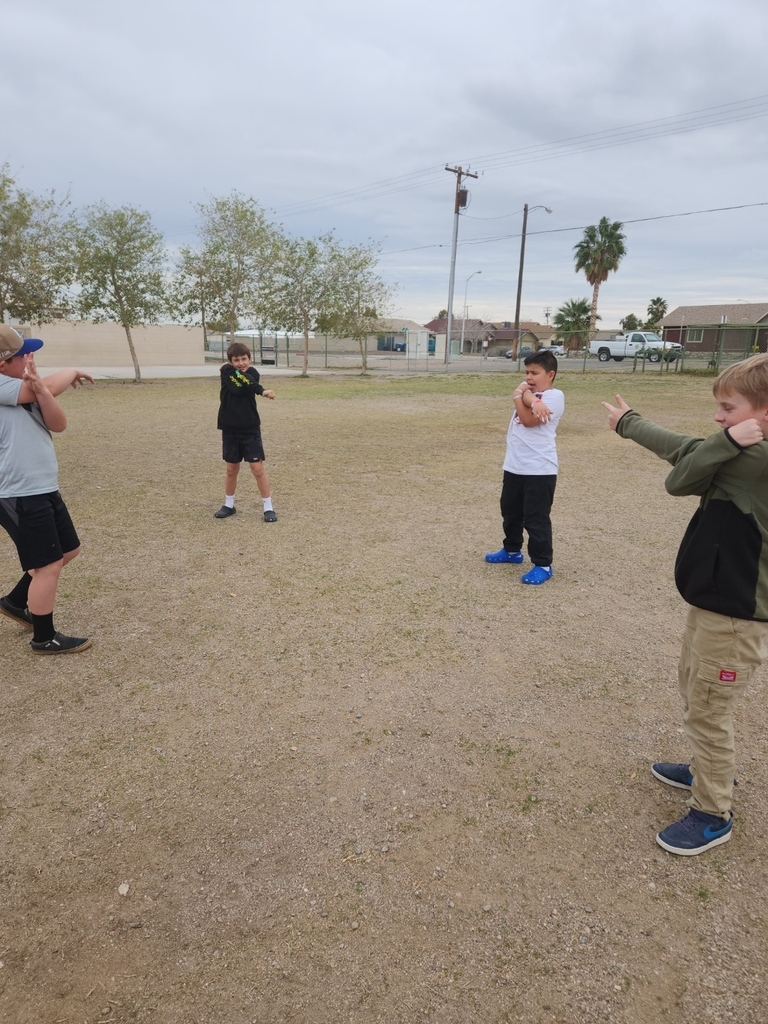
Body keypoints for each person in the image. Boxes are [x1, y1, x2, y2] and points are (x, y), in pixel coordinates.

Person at [603, 353, 768, 855]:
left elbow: (681, 477)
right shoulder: (736, 450)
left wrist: (722, 444)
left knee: (709, 713)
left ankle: (713, 812)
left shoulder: (755, 460)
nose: (718, 417)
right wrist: (629, 424)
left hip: (737, 615)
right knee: (695, 691)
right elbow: (688, 450)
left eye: (728, 407)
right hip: (715, 601)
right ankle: (702, 770)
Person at [0, 326, 94, 654]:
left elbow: (58, 423)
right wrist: (69, 372)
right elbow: (56, 383)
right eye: (23, 353)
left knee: (67, 551)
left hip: (42, 486)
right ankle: (44, 637)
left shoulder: (25, 388)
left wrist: (41, 389)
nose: (30, 356)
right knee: (48, 565)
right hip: (17, 492)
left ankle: (14, 602)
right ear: (2, 364)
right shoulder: (3, 387)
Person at [485, 349, 565, 584]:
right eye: (527, 372)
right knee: (510, 512)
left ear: (550, 374)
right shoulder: (529, 392)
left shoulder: (554, 397)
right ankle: (512, 551)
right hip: (514, 466)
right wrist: (525, 394)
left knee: (536, 518)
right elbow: (523, 390)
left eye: (535, 373)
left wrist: (520, 396)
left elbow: (529, 421)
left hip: (540, 469)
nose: (529, 377)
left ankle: (543, 564)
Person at [214, 341, 277, 522]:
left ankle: (268, 507)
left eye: (244, 359)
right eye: (236, 360)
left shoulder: (253, 374)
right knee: (231, 469)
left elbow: (245, 384)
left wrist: (261, 390)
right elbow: (236, 386)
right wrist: (262, 391)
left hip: (250, 429)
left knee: (257, 468)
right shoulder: (227, 373)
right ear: (230, 361)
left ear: (250, 359)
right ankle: (228, 504)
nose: (241, 362)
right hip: (230, 429)